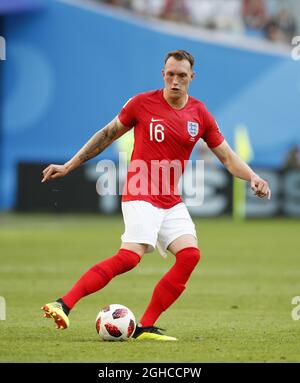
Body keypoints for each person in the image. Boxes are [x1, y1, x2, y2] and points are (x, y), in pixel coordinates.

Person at [41, 50, 271, 341]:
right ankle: (62, 303)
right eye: (170, 74)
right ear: (163, 74)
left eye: (182, 76)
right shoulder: (141, 103)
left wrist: (253, 176)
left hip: (170, 199)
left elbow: (226, 157)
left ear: (192, 78)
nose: (175, 81)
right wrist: (69, 165)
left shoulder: (199, 113)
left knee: (189, 256)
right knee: (130, 257)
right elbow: (106, 134)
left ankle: (144, 327)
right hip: (140, 193)